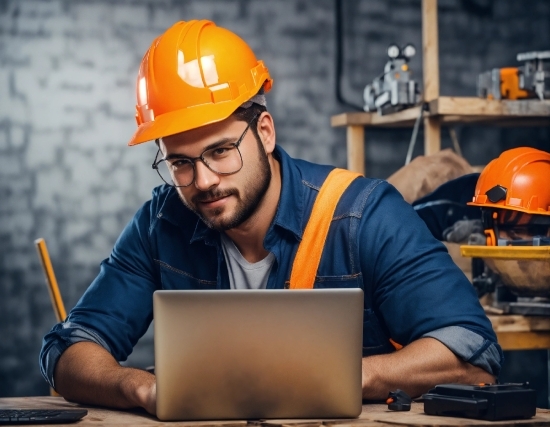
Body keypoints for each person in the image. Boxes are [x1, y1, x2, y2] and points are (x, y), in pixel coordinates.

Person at [40, 20, 501, 416]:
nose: (202, 181)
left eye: (220, 151)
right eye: (179, 162)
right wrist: (140, 387)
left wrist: (334, 377)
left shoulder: (364, 215)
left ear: (264, 131)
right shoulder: (160, 224)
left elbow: (471, 351)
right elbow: (68, 348)